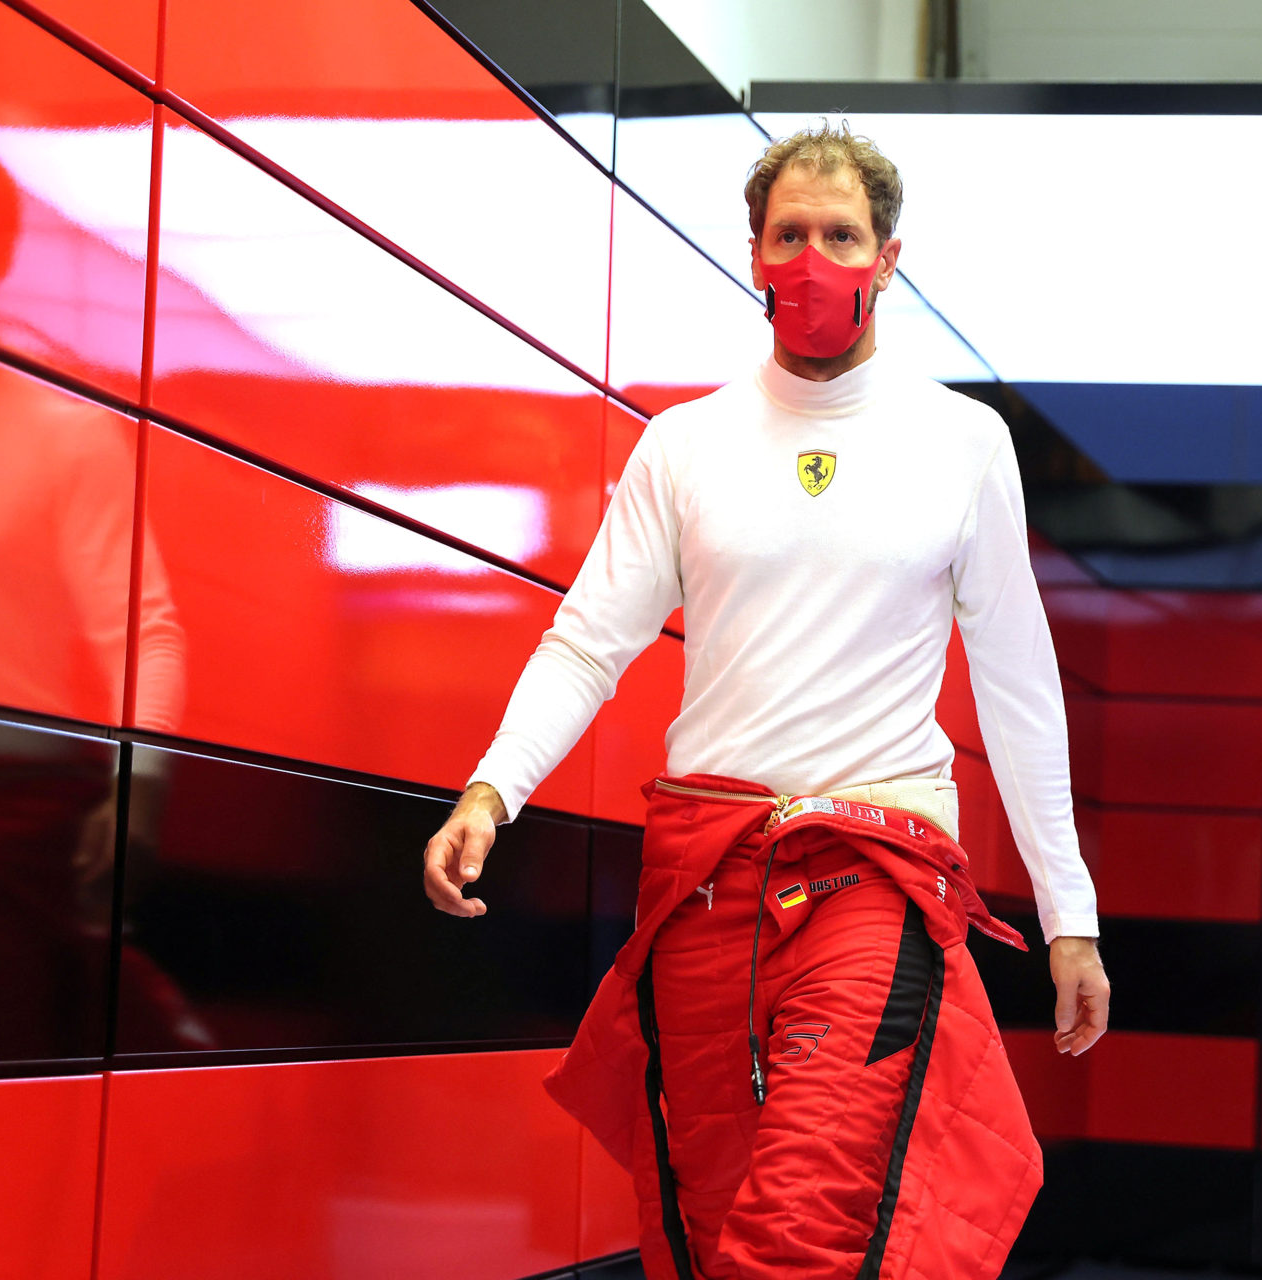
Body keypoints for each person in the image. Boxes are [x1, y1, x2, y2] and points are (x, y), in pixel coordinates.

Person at [422, 121, 1110, 1280]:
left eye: (841, 234)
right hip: (704, 878)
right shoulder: (682, 444)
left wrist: (1069, 917)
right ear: (752, 253)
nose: (814, 257)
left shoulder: (963, 442)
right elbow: (590, 640)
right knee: (708, 1221)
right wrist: (494, 787)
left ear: (888, 258)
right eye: (790, 233)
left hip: (871, 873)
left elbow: (1019, 686)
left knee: (810, 1220)